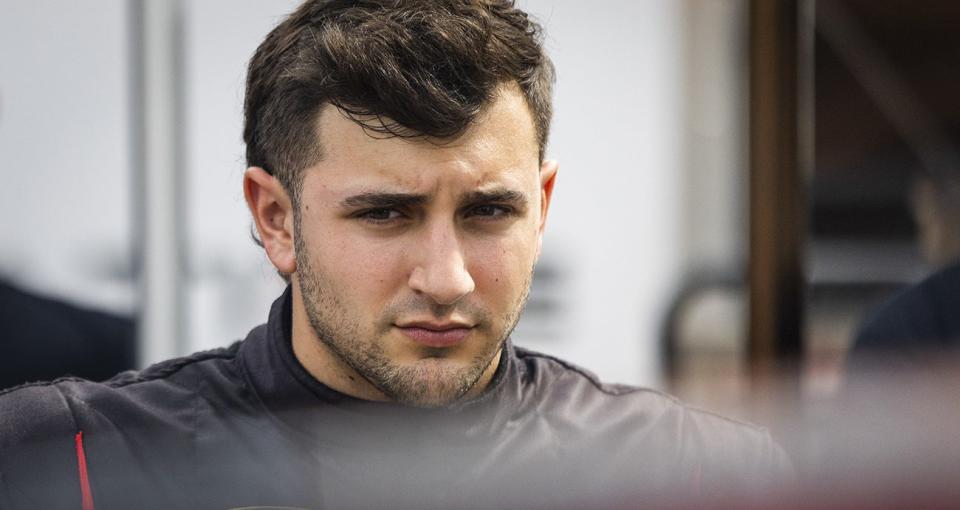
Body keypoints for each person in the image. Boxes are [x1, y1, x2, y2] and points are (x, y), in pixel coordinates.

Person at [0, 1, 791, 508]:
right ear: (276, 219)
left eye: (488, 211)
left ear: (541, 207)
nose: (446, 278)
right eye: (385, 214)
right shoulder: (66, 464)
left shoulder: (700, 476)